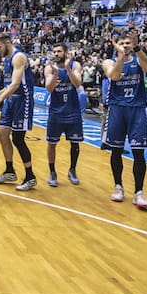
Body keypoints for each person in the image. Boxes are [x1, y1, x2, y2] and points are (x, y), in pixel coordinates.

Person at [101, 31, 147, 209]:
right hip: (117, 109)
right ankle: (118, 186)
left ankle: (139, 192)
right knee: (116, 150)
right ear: (116, 45)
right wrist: (121, 56)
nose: (125, 45)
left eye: (128, 43)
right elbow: (114, 76)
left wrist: (137, 48)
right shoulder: (109, 62)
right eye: (122, 43)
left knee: (139, 152)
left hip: (137, 109)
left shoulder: (139, 59)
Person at [0, 32, 39, 191]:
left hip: (22, 100)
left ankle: (30, 176)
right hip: (11, 100)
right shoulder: (7, 60)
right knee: (2, 135)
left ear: (8, 43)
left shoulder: (19, 57)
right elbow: (8, 85)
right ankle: (10, 171)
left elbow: (16, 84)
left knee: (18, 139)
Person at [44, 43, 83, 187]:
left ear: (65, 53)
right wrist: (55, 74)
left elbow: (77, 84)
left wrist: (67, 68)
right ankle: (52, 172)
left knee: (75, 143)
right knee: (52, 143)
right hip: (56, 112)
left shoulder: (75, 65)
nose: (56, 54)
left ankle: (72, 170)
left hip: (73, 110)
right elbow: (49, 88)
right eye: (54, 51)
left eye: (59, 51)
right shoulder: (49, 68)